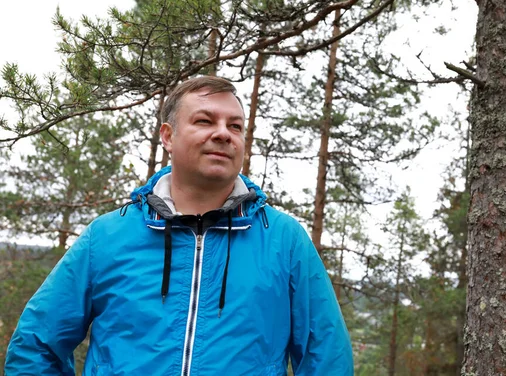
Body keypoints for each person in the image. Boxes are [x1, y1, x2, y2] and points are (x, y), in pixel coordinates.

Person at [5, 76, 354, 375]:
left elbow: (327, 359)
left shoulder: (283, 240)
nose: (223, 134)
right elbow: (35, 345)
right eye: (205, 121)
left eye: (235, 126)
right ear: (168, 137)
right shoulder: (108, 237)